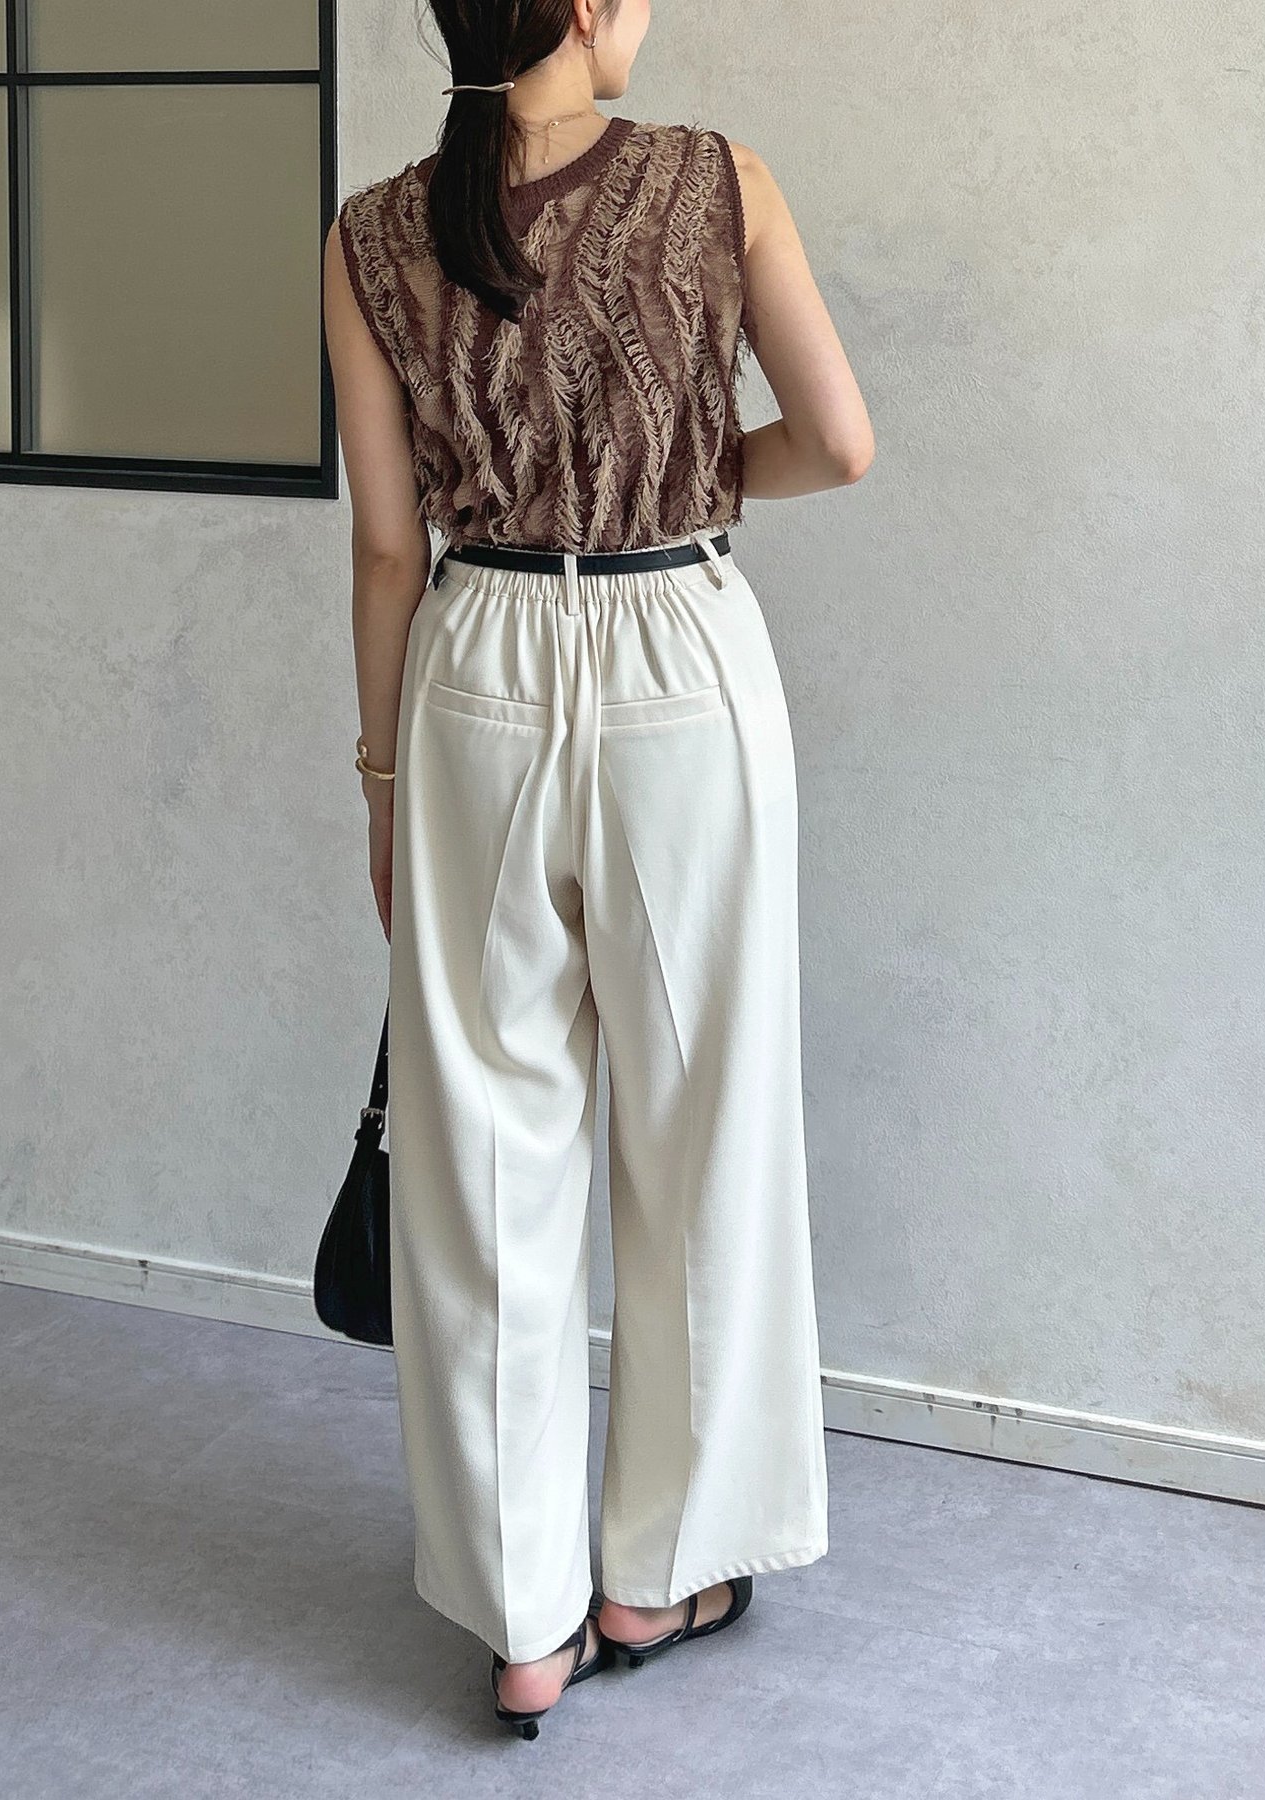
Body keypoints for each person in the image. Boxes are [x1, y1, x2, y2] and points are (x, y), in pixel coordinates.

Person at [323, 0, 873, 1739]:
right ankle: (663, 1568)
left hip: (471, 669)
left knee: (485, 1145)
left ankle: (523, 1621)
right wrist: (691, 466)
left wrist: (382, 780)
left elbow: (388, 545)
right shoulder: (720, 181)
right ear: (577, 4)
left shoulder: (369, 231)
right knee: (709, 1120)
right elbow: (839, 441)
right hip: (677, 662)